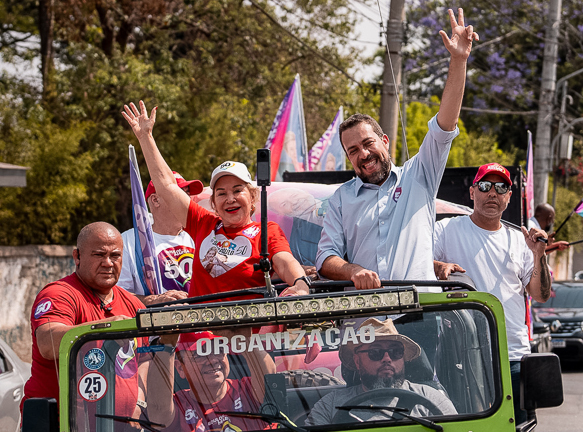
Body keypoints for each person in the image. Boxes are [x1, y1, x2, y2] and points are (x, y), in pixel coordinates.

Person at [315, 8, 478, 290]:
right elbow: (325, 258)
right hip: (366, 322)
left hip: (421, 316)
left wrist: (458, 60)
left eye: (368, 144)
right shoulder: (341, 200)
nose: (363, 154)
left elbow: (444, 126)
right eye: (353, 150)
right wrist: (354, 271)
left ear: (385, 142)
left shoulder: (419, 175)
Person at [432, 163, 552, 432]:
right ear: (472, 192)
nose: (492, 194)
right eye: (485, 186)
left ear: (509, 197)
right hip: (460, 358)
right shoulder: (447, 230)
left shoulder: (519, 240)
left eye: (501, 188)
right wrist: (439, 266)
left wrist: (539, 254)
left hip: (513, 359)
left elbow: (539, 293)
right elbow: (414, 259)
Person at [122, 102, 311, 300]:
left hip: (246, 329)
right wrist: (146, 137)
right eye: (221, 193)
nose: (230, 199)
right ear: (213, 203)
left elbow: (283, 261)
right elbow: (167, 187)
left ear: (253, 196)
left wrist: (300, 284)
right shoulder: (203, 224)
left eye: (238, 190)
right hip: (201, 330)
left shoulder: (267, 231)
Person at [22, 222, 145, 432]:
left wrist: (140, 402)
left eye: (115, 255)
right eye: (98, 254)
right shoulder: (59, 294)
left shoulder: (131, 303)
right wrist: (104, 329)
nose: (108, 263)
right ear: (77, 256)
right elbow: (48, 342)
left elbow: (146, 361)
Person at [306, 318, 457, 425]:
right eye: (376, 352)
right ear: (357, 361)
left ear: (403, 357)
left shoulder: (431, 398)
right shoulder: (331, 405)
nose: (387, 358)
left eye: (395, 351)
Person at [144, 331, 275, 432]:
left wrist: (245, 339)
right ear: (180, 368)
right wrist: (167, 344)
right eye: (200, 354)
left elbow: (270, 380)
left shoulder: (247, 390)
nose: (212, 360)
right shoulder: (177, 406)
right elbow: (158, 412)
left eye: (218, 350)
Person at [119, 171, 204, 304]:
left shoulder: (200, 235)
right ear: (155, 200)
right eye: (179, 194)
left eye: (187, 195)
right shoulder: (128, 242)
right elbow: (117, 296)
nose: (186, 201)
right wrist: (153, 300)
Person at [268, 187, 328, 268]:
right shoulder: (297, 246)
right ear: (280, 213)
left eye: (294, 196)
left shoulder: (337, 199)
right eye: (284, 204)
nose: (294, 202)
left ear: (306, 191)